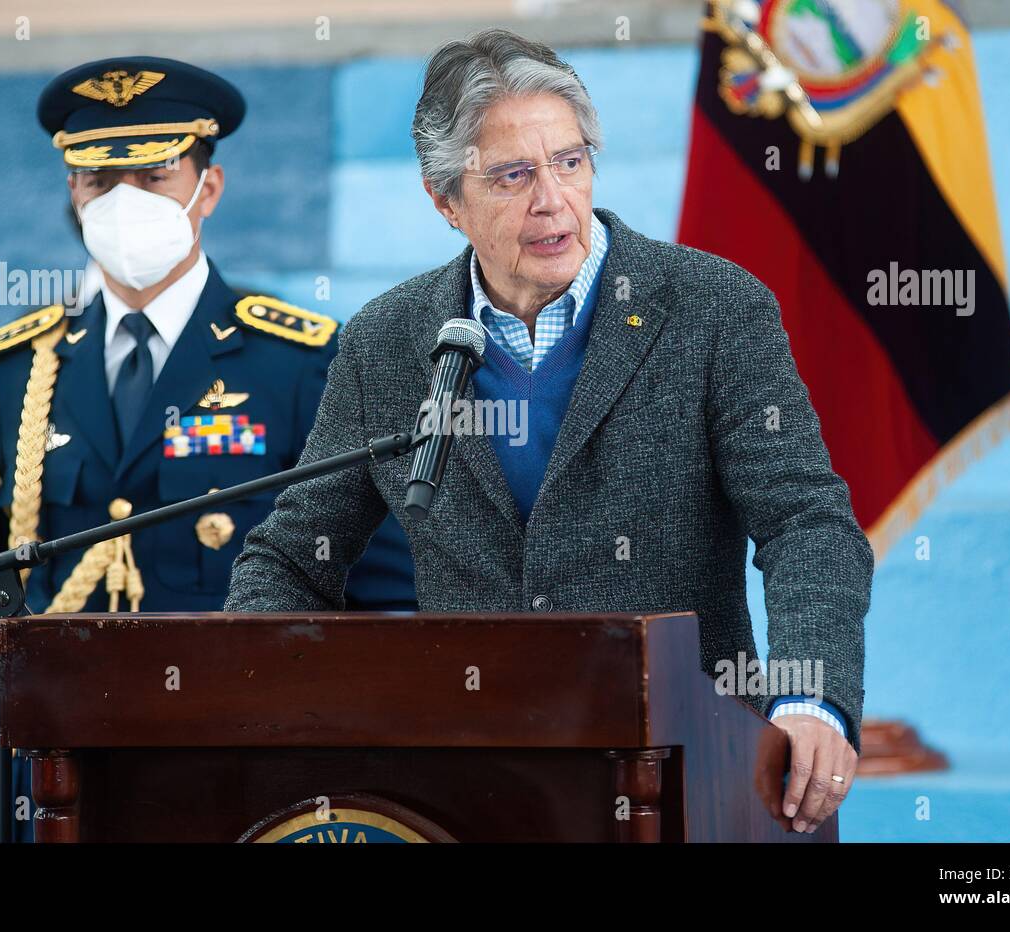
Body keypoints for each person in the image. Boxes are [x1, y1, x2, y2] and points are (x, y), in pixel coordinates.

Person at [226, 30, 873, 836]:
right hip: (474, 789)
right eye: (513, 175)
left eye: (569, 162)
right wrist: (262, 717)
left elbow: (807, 522)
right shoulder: (385, 343)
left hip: (694, 779)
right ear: (445, 200)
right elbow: (292, 556)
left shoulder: (713, 308)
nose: (552, 200)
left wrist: (809, 697)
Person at [0, 56, 416, 841]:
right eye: (99, 180)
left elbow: (384, 586)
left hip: (245, 758)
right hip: (62, 769)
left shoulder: (300, 362)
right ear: (73, 193)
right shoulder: (13, 370)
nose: (124, 201)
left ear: (208, 188)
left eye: (154, 175)